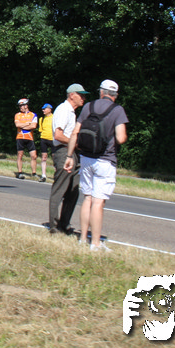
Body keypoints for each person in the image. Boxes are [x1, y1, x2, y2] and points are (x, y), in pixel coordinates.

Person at [64, 79, 128, 251]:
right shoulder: (117, 110)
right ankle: (96, 243)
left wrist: (69, 156)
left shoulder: (88, 107)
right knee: (98, 202)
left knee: (87, 198)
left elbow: (75, 132)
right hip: (105, 160)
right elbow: (121, 138)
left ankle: (83, 238)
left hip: (86, 158)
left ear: (101, 92)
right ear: (115, 95)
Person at [48, 84, 87, 234]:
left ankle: (64, 224)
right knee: (60, 188)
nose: (83, 98)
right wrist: (75, 143)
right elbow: (58, 135)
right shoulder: (63, 110)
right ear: (72, 95)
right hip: (63, 152)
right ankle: (54, 225)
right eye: (81, 95)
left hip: (72, 152)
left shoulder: (71, 112)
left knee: (73, 190)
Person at [14, 98, 39, 180]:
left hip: (29, 137)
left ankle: (34, 173)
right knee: (20, 154)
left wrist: (23, 125)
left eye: (21, 105)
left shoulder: (33, 115)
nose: (20, 107)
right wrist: (28, 123)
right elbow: (17, 125)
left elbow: (33, 126)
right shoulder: (17, 115)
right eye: (19, 106)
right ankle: (20, 172)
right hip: (20, 137)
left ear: (26, 105)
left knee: (34, 156)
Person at [36, 103, 54, 182]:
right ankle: (43, 175)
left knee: (54, 157)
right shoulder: (41, 119)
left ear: (49, 109)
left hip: (52, 139)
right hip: (44, 139)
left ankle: (56, 175)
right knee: (44, 157)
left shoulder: (54, 118)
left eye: (44, 109)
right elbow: (40, 130)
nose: (43, 110)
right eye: (43, 109)